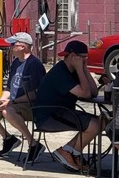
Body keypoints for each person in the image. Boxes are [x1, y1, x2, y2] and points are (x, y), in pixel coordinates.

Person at [0, 32, 46, 160]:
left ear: (23, 47)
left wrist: (11, 102)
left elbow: (34, 93)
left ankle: (33, 144)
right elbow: (9, 87)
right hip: (12, 103)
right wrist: (3, 99)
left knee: (7, 111)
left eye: (13, 45)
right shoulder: (15, 63)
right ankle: (9, 139)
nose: (10, 47)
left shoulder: (34, 65)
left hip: (30, 105)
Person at [34, 40, 101, 172]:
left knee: (102, 120)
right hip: (49, 116)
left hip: (63, 112)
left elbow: (94, 92)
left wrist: (85, 70)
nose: (85, 60)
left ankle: (71, 152)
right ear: (72, 56)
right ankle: (67, 152)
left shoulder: (74, 70)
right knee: (95, 125)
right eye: (83, 57)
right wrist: (80, 70)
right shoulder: (61, 72)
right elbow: (86, 93)